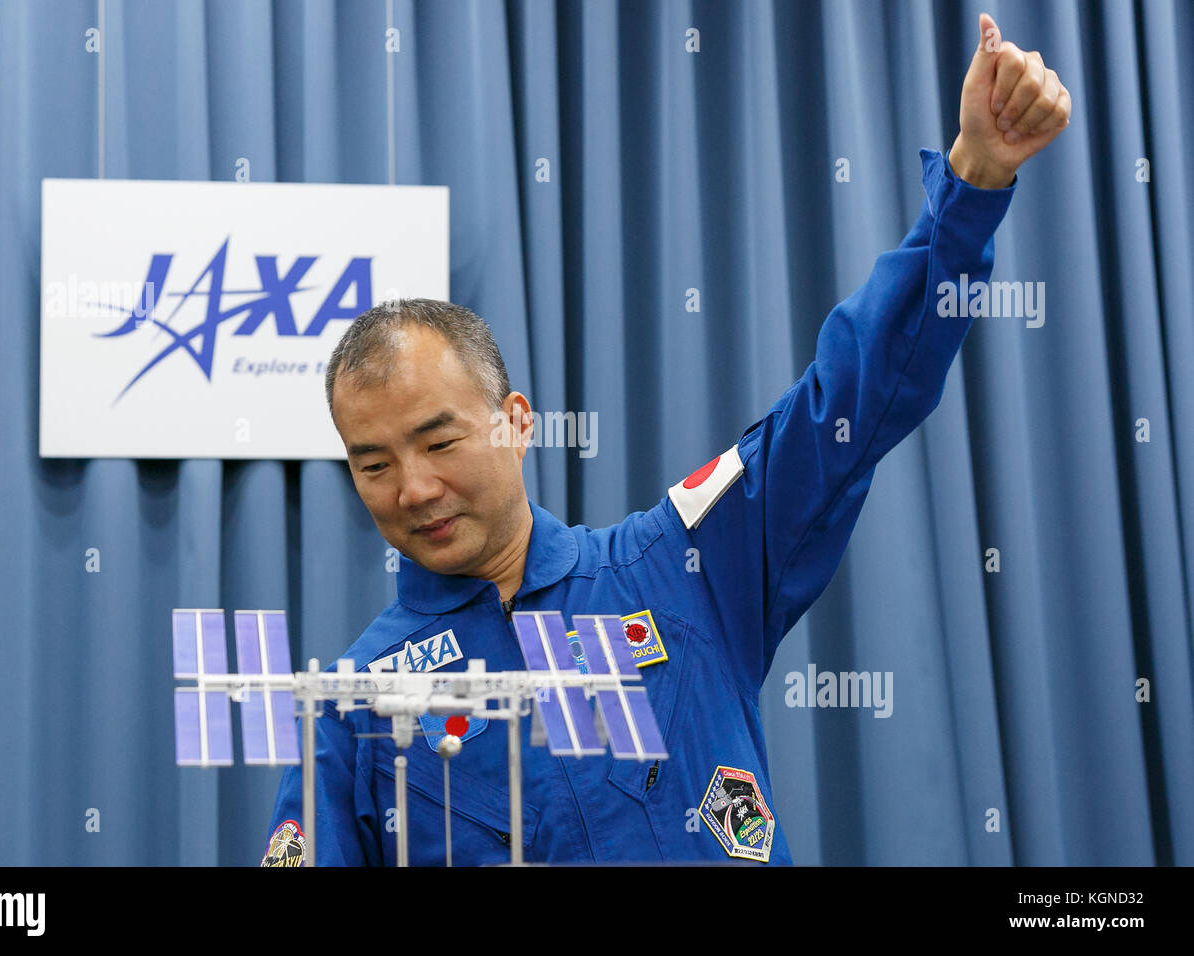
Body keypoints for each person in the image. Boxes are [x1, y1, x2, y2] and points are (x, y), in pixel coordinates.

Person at [262, 12, 1070, 866]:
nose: (412, 488)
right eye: (373, 463)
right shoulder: (351, 710)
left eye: (438, 441)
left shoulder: (684, 565)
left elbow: (847, 402)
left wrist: (972, 183)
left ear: (517, 421)